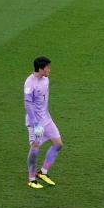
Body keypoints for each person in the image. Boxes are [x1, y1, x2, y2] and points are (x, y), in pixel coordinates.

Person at [24, 56, 64, 189]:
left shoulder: (45, 79)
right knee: (35, 148)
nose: (49, 70)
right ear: (40, 69)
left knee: (58, 144)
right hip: (35, 122)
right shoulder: (30, 83)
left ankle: (43, 172)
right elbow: (28, 105)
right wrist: (35, 123)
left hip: (46, 119)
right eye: (47, 68)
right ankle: (31, 178)